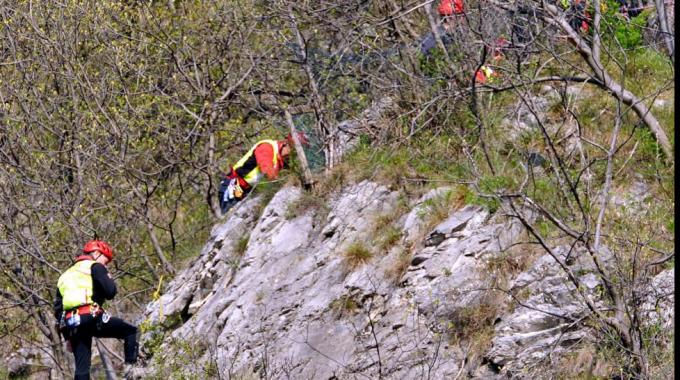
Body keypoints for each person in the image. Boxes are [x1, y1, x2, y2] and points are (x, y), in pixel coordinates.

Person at [54, 240, 138, 379]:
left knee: (81, 369)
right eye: (106, 260)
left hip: (72, 322)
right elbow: (110, 292)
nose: (106, 264)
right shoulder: (96, 266)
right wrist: (109, 279)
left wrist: (67, 337)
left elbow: (58, 310)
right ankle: (132, 371)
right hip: (91, 316)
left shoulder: (65, 275)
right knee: (131, 331)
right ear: (97, 254)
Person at [218, 132, 309, 214]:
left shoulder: (280, 158)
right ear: (285, 144)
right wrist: (279, 182)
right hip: (233, 184)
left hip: (246, 189)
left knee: (237, 214)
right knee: (228, 215)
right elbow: (267, 169)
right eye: (293, 150)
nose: (292, 154)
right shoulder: (267, 148)